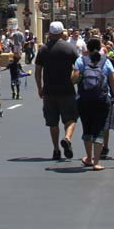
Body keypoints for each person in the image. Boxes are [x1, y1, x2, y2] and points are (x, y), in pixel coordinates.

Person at [73, 37, 114, 170]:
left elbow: (74, 79)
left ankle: (88, 158)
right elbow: (113, 83)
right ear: (100, 48)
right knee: (99, 129)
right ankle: (96, 162)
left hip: (84, 100)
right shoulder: (106, 61)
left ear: (87, 48)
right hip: (102, 100)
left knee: (87, 128)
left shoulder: (80, 60)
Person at [35, 21, 80, 161]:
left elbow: (37, 71)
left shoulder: (43, 49)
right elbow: (78, 67)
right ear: (61, 33)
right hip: (67, 89)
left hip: (49, 90)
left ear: (49, 33)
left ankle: (56, 150)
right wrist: (74, 80)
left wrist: (40, 88)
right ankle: (67, 138)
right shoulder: (69, 48)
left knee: (52, 122)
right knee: (71, 119)